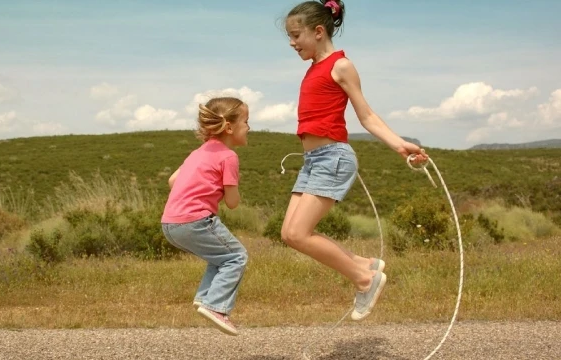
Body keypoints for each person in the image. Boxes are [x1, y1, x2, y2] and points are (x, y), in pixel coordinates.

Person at [280, 0, 429, 321]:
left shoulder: (341, 65)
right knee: (289, 234)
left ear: (318, 31)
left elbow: (367, 115)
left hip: (332, 158)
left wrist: (400, 145)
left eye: (296, 35)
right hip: (313, 160)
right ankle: (364, 265)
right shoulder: (313, 68)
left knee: (298, 234)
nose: (292, 43)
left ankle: (365, 279)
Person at [161, 96, 251, 336]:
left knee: (219, 257)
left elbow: (172, 181)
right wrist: (232, 185)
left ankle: (204, 299)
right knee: (236, 257)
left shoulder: (197, 152)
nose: (249, 127)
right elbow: (232, 203)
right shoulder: (228, 156)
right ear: (230, 127)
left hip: (170, 224)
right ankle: (216, 307)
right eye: (246, 121)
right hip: (196, 221)